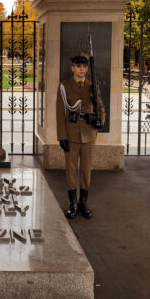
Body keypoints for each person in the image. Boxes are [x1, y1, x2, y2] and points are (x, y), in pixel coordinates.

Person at [56, 52, 105, 219]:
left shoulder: (92, 85)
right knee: (71, 170)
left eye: (84, 66)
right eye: (78, 66)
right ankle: (73, 204)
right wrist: (61, 136)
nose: (82, 69)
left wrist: (100, 120)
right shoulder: (64, 86)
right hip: (71, 133)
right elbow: (60, 112)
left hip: (89, 134)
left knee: (86, 171)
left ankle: (83, 203)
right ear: (72, 68)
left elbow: (100, 106)